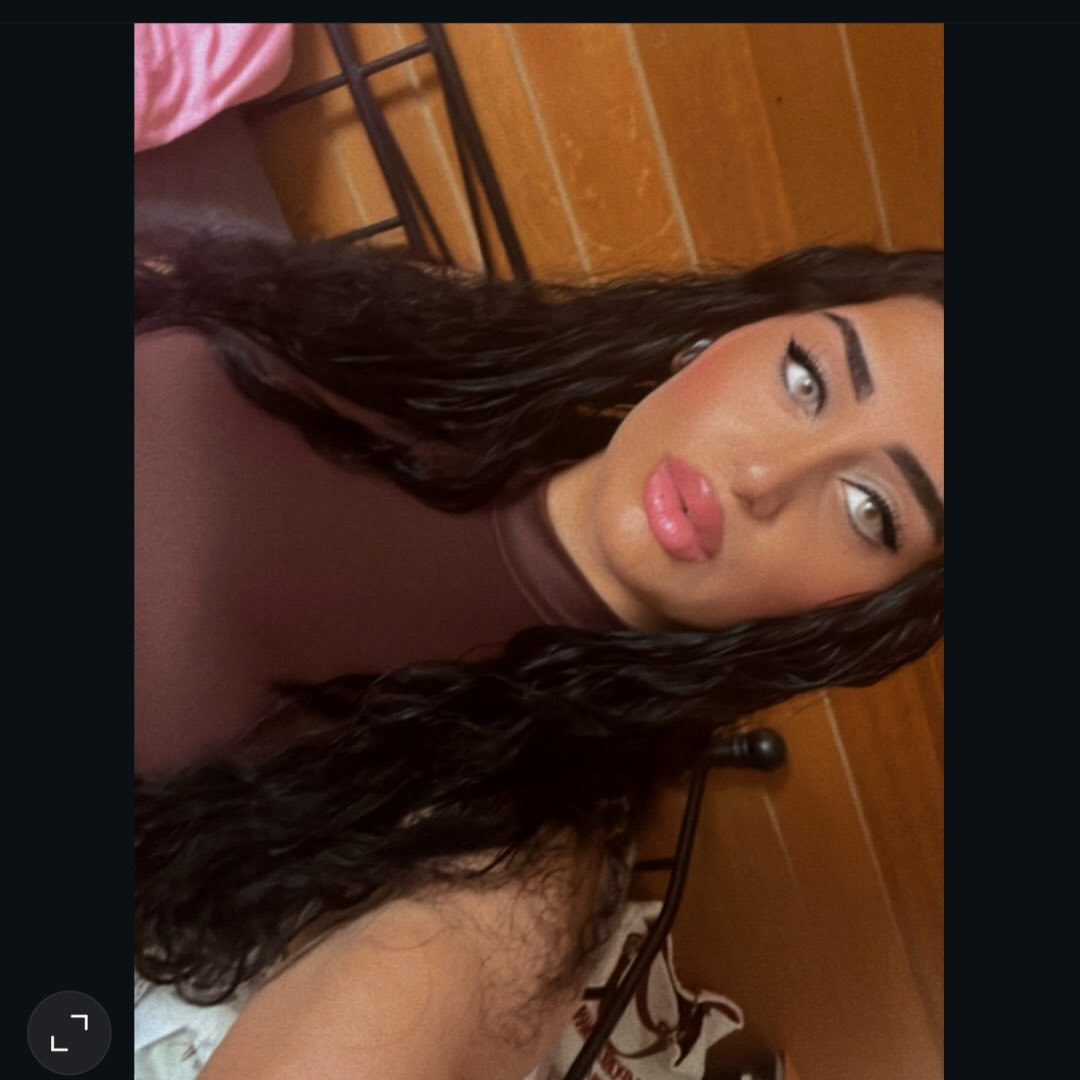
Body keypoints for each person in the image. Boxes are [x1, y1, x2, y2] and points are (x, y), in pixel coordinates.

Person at [134, 224, 943, 1077]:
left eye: (870, 510)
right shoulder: (437, 340)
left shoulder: (517, 872)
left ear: (858, 617)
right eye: (805, 378)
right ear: (718, 338)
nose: (760, 478)